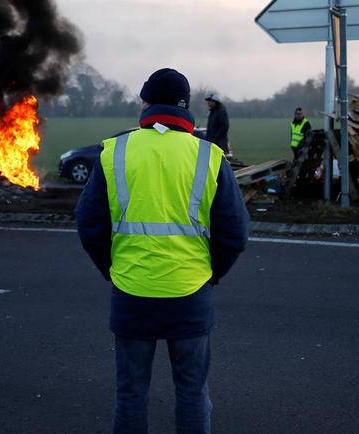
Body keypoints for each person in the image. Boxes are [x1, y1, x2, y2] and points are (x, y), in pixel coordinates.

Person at [75, 68, 249, 433]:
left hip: (131, 293)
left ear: (146, 103)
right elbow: (234, 232)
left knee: (131, 394)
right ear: (186, 108)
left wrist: (113, 268)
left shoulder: (115, 151)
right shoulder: (209, 157)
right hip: (190, 296)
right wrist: (208, 274)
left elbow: (89, 224)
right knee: (191, 391)